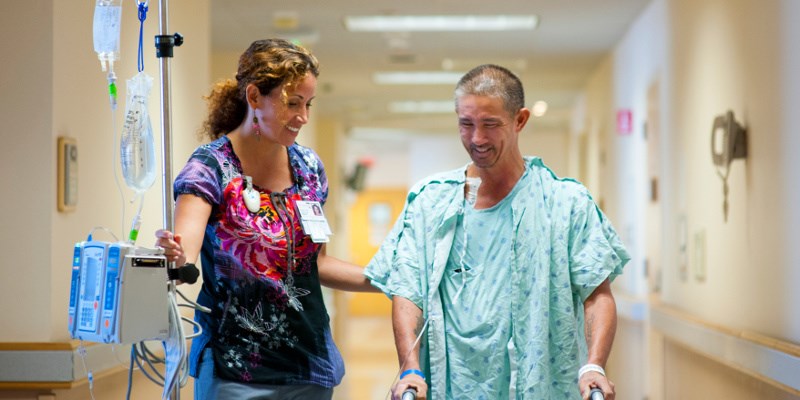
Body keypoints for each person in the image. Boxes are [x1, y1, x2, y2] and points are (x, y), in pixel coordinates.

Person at [364, 64, 630, 400]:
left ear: (520, 120)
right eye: (466, 124)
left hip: (539, 386)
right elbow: (407, 291)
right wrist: (410, 367)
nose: (477, 139)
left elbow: (597, 294)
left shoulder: (565, 203)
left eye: (490, 125)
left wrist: (594, 365)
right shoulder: (430, 202)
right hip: (450, 387)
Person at [155, 38, 375, 400]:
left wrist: (388, 280)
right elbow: (186, 253)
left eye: (307, 104)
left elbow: (313, 264)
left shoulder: (308, 169)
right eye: (292, 103)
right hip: (236, 370)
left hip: (310, 366)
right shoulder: (211, 168)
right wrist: (177, 258)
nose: (303, 116)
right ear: (254, 97)